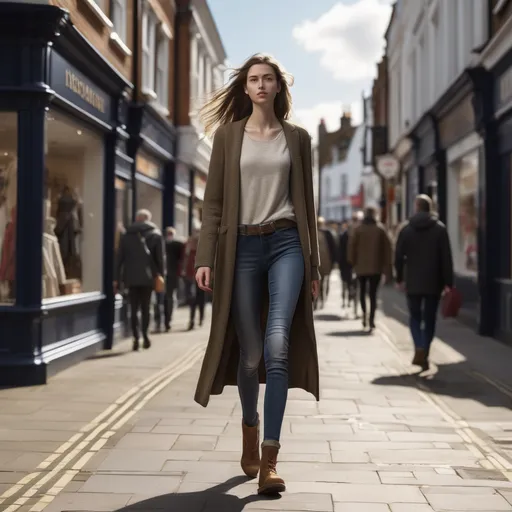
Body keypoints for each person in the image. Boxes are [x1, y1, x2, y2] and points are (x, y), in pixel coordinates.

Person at [193, 53, 321, 495]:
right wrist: (204, 256)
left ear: (278, 87)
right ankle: (249, 428)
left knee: (278, 345)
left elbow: (308, 206)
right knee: (250, 356)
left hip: (287, 243)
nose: (261, 85)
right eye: (254, 79)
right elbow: (212, 205)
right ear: (245, 88)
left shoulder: (299, 139)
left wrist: (315, 264)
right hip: (241, 248)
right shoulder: (227, 138)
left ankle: (270, 458)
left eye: (268, 79)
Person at [394, 194, 454, 370]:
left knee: (414, 317)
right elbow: (446, 258)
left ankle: (419, 346)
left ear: (416, 207)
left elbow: (398, 256)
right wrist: (448, 282)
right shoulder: (440, 229)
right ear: (430, 208)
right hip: (433, 283)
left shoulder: (406, 229)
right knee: (429, 319)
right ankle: (425, 350)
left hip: (413, 281)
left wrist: (399, 278)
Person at [115, 209, 165, 351]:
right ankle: (145, 335)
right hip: (148, 279)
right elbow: (160, 260)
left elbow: (119, 259)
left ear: (137, 219)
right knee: (146, 308)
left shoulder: (126, 235)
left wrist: (116, 279)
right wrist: (161, 276)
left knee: (133, 308)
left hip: (130, 278)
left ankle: (135, 338)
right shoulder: (156, 235)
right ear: (148, 219)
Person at [348, 206, 392, 331]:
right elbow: (388, 249)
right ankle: (371, 320)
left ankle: (364, 315)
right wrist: (387, 266)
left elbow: (351, 247)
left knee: (362, 292)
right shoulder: (380, 229)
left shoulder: (358, 229)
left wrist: (352, 263)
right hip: (376, 267)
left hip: (360, 267)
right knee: (373, 294)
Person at [153, 227, 184, 332]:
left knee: (167, 299)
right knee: (161, 299)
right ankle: (162, 322)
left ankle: (166, 322)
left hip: (170, 276)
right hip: (163, 276)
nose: (169, 235)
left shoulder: (176, 245)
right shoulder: (171, 244)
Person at [182, 223, 205, 331]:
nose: (196, 233)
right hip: (191, 274)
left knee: (200, 297)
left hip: (201, 274)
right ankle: (192, 320)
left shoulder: (204, 243)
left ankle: (200, 318)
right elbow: (185, 258)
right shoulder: (189, 243)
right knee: (192, 298)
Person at [315, 217, 333, 309]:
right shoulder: (324, 234)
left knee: (320, 282)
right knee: (321, 282)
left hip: (323, 263)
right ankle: (320, 299)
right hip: (322, 263)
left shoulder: (327, 234)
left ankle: (320, 300)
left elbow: (332, 248)